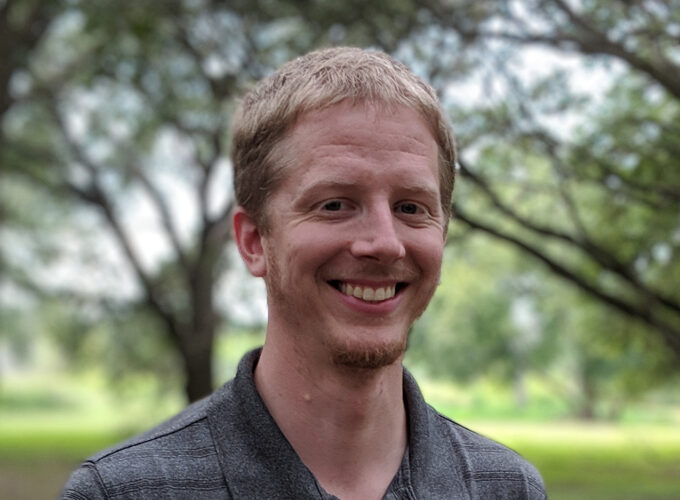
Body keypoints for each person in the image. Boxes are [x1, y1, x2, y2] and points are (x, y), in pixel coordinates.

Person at [61, 46, 547, 499]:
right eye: (335, 204)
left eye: (411, 207)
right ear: (254, 242)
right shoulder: (123, 492)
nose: (384, 242)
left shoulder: (507, 488)